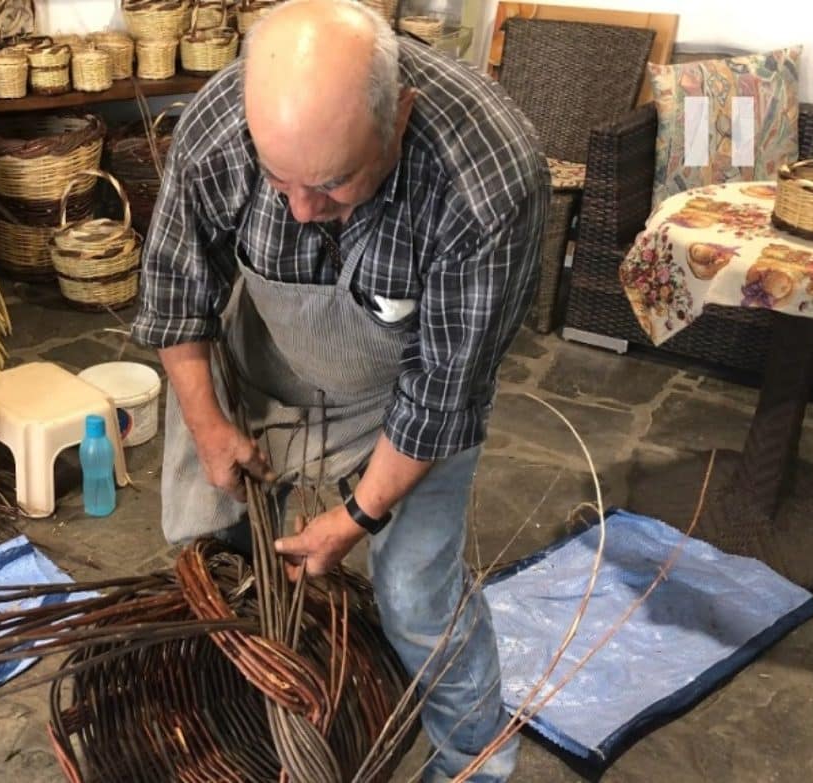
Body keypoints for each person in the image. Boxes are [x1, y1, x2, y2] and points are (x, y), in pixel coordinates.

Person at [129, 0, 549, 780]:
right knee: (220, 563)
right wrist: (211, 426)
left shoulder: (485, 179)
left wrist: (356, 515)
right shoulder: (224, 126)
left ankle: (475, 765)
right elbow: (175, 295)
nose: (300, 209)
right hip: (264, 355)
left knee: (416, 597)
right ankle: (234, 731)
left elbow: (441, 392)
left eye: (332, 184)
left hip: (402, 396)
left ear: (401, 120)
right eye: (278, 179)